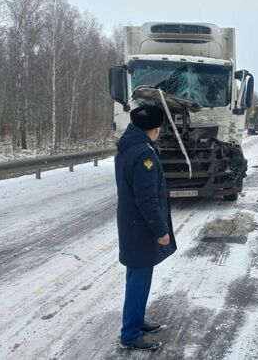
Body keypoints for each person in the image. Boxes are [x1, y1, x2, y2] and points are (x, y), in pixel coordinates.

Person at [115, 104, 177, 351]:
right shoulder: (144, 154)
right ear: (154, 128)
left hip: (132, 224)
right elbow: (147, 198)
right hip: (141, 227)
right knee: (138, 279)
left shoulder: (129, 146)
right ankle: (130, 333)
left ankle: (137, 321)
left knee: (137, 275)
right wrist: (161, 231)